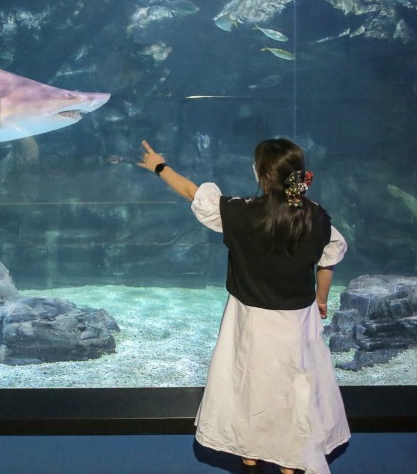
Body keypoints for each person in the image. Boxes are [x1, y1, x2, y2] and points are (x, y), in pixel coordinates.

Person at [138, 138, 350, 474]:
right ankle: (291, 464)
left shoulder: (241, 213)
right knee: (294, 391)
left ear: (262, 175)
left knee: (249, 387)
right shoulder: (317, 217)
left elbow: (193, 193)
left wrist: (160, 167)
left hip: (250, 320)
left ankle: (250, 459)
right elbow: (329, 259)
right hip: (298, 321)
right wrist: (321, 299)